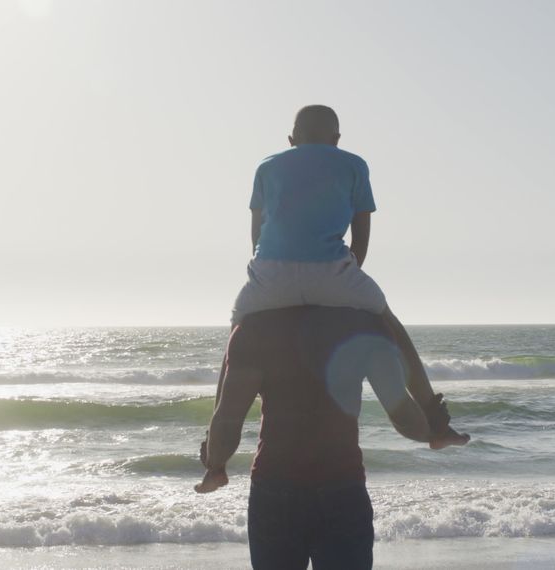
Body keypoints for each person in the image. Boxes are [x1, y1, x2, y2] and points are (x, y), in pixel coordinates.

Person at [232, 105, 466, 445]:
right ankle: (435, 421)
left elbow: (257, 234)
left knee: (237, 334)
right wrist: (346, 277)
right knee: (391, 326)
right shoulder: (354, 165)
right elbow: (361, 236)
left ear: (291, 139)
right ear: (336, 140)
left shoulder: (267, 167)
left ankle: (214, 448)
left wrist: (266, 277)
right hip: (332, 271)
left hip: (271, 273)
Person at [195, 306, 464, 569]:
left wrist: (215, 461)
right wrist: (431, 432)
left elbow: (228, 420)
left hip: (275, 490)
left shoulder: (255, 326)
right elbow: (402, 413)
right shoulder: (362, 321)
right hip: (342, 488)